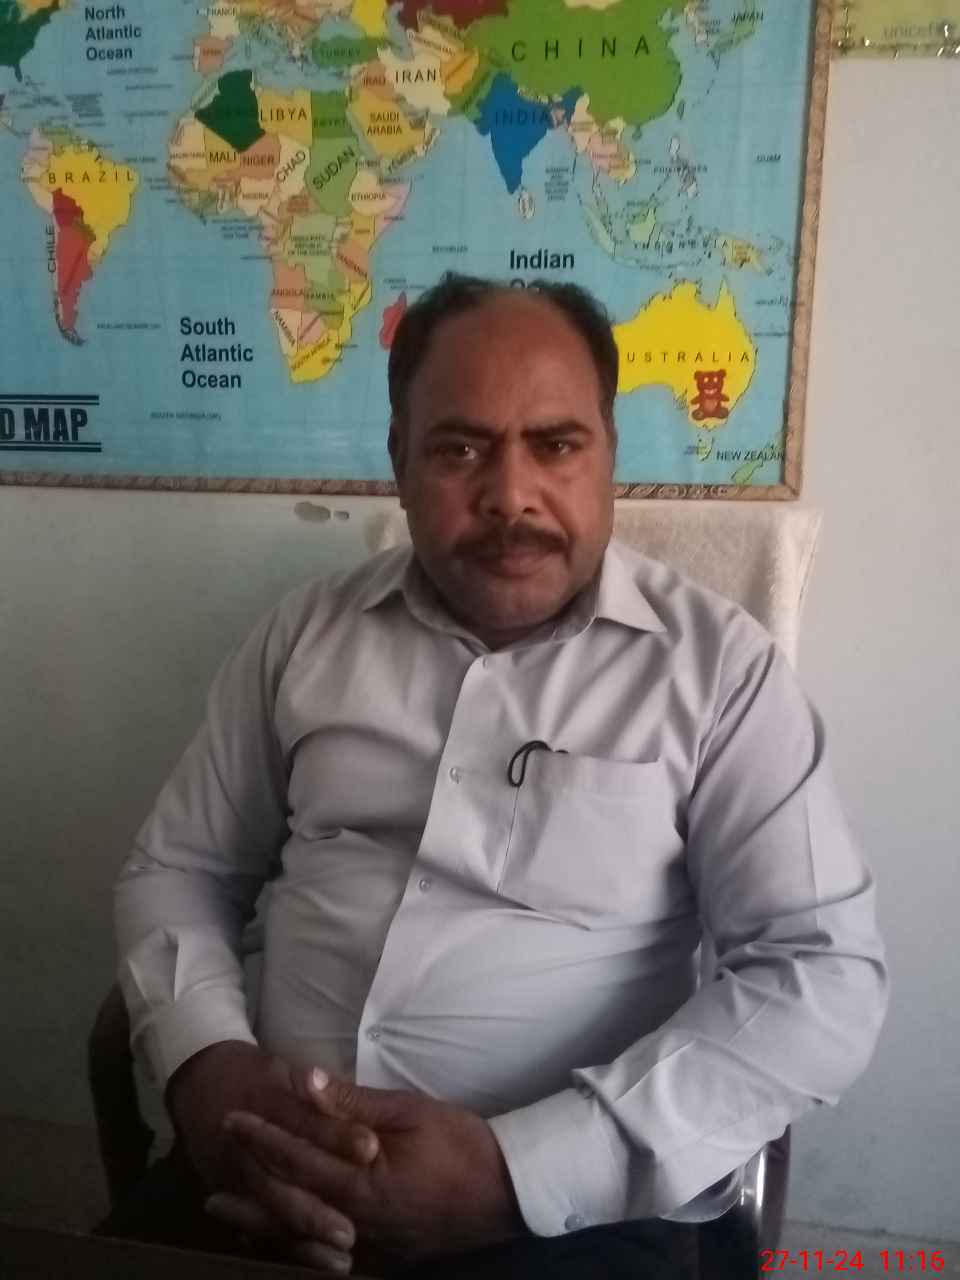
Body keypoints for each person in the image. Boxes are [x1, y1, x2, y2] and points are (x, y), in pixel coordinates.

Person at [103, 274, 888, 1278]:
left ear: (609, 454)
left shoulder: (719, 673)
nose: (511, 495)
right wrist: (207, 1065)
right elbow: (181, 868)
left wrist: (517, 1174)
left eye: (555, 445)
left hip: (572, 1219)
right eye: (461, 448)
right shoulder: (304, 637)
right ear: (400, 460)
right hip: (268, 1165)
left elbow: (818, 973)